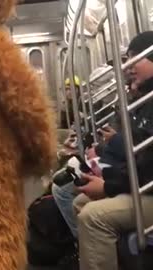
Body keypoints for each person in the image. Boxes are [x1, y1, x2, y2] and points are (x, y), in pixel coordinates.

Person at [53, 31, 153, 270]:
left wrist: (108, 183)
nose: (127, 67)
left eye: (134, 58)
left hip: (147, 188)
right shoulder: (142, 101)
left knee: (91, 215)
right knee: (79, 201)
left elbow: (143, 160)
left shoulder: (143, 103)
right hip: (140, 181)